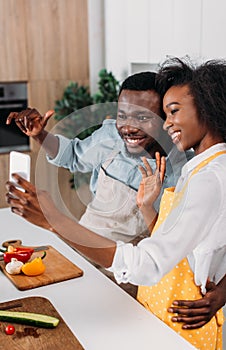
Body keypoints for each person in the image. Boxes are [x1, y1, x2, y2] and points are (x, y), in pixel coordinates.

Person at [6, 59, 226, 349]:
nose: (129, 126)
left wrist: (53, 219)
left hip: (127, 272)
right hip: (81, 251)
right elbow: (72, 155)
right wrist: (40, 136)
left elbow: (154, 257)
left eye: (149, 116)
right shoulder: (117, 139)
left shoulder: (189, 166)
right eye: (124, 114)